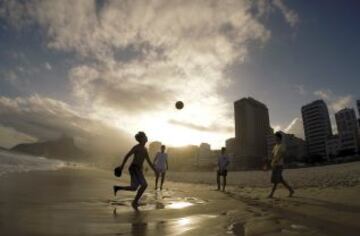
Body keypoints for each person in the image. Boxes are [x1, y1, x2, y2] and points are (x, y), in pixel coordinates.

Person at [113, 131, 157, 210]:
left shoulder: (145, 149)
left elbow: (149, 161)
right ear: (141, 139)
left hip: (138, 170)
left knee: (134, 188)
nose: (146, 137)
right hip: (134, 168)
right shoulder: (137, 147)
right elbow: (127, 155)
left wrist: (155, 170)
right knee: (144, 185)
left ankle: (117, 188)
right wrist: (122, 166)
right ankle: (135, 202)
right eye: (145, 136)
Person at [268, 132, 294, 198]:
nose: (275, 138)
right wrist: (271, 162)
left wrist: (277, 160)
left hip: (279, 165)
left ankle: (271, 194)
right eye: (275, 137)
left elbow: (283, 154)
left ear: (279, 138)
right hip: (274, 165)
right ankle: (290, 190)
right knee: (281, 180)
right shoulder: (275, 146)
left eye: (276, 137)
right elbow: (273, 155)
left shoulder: (282, 145)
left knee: (276, 181)